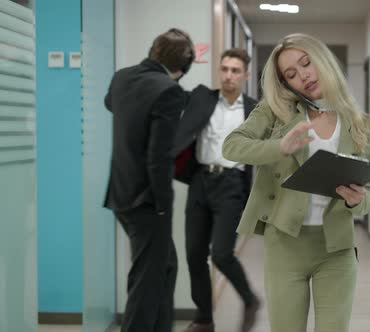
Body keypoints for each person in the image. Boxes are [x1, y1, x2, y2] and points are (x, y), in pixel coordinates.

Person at [222, 33, 370, 332]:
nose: (303, 75)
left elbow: (368, 197)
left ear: (322, 60)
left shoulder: (362, 125)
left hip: (337, 250)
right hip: (285, 247)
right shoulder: (274, 112)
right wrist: (278, 147)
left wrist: (357, 199)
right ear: (286, 84)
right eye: (291, 74)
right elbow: (232, 146)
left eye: (306, 64)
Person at [103, 28, 195, 332]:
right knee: (146, 281)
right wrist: (163, 207)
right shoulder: (170, 92)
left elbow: (110, 104)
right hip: (147, 201)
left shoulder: (121, 77)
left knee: (166, 266)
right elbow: (159, 158)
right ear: (182, 68)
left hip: (120, 194)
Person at [173, 48, 260, 332]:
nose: (228, 76)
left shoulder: (254, 109)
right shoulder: (202, 97)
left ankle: (249, 300)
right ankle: (204, 319)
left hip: (232, 185)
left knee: (221, 253)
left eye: (235, 71)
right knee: (194, 254)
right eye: (224, 69)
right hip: (200, 180)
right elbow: (172, 98)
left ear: (245, 75)